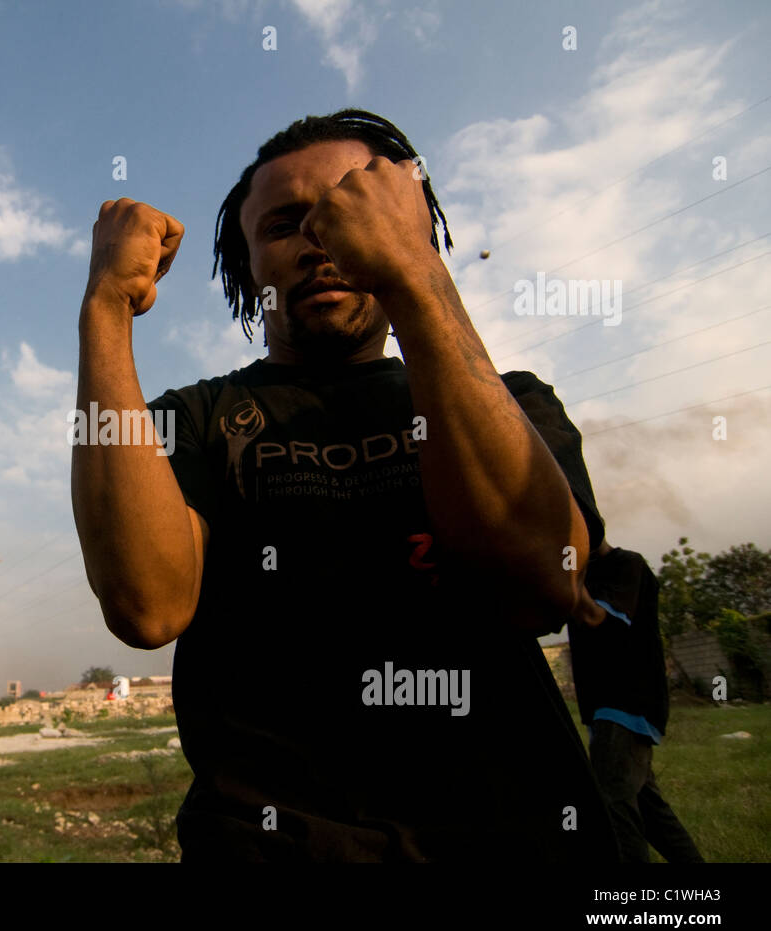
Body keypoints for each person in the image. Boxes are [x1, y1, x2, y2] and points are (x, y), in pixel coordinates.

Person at [71, 108, 620, 861]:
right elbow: (147, 604)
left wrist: (415, 273)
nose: (318, 240)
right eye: (283, 225)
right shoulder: (190, 420)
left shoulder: (512, 402)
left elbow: (540, 580)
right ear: (249, 265)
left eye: (349, 209)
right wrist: (105, 307)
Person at [567, 540, 704, 862]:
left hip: (626, 704)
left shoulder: (627, 564)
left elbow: (595, 616)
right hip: (604, 708)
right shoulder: (583, 573)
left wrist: (567, 581)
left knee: (612, 807)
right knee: (651, 812)